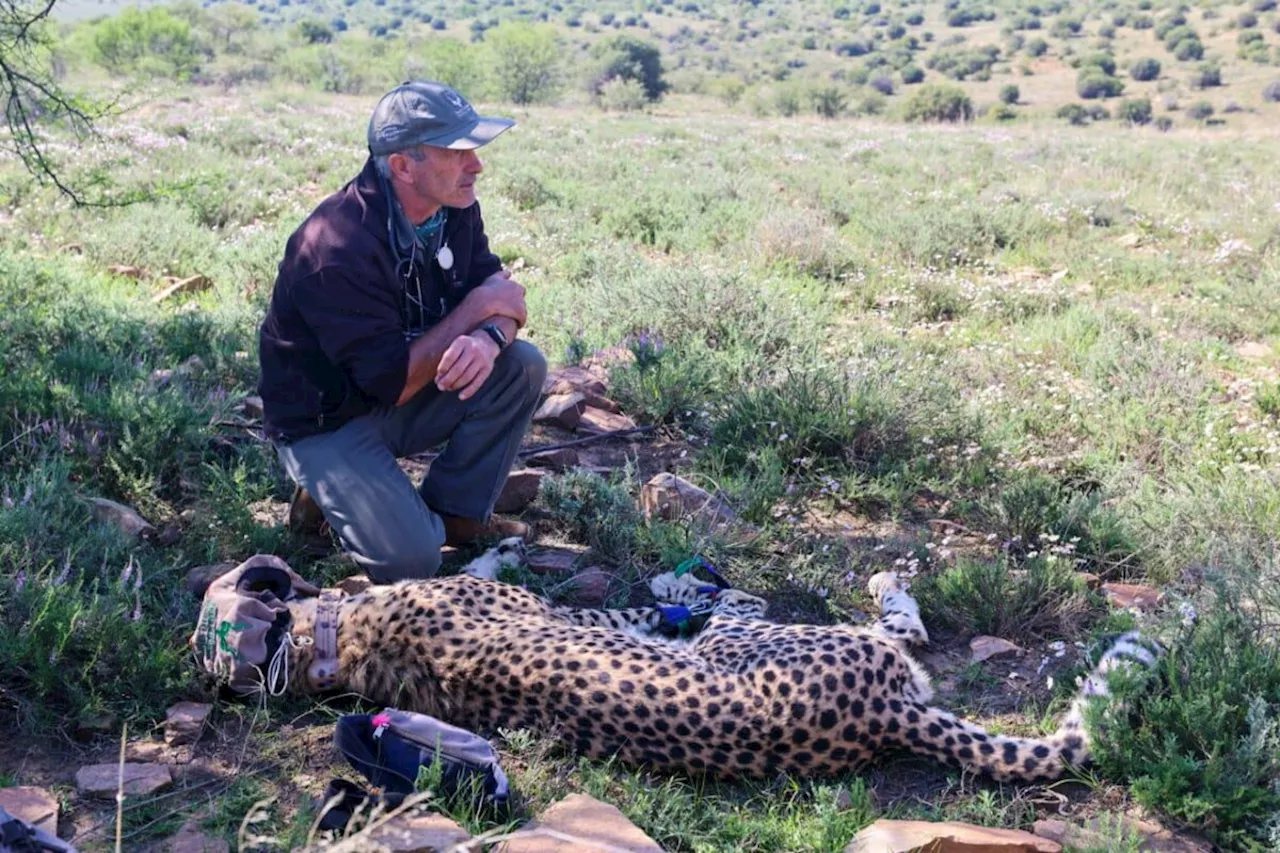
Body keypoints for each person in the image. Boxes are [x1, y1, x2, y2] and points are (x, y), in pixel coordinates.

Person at [256, 81, 546, 583]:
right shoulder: (335, 248)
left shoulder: (453, 209)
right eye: (457, 152)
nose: (476, 165)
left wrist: (489, 337)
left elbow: (508, 299)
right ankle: (327, 491)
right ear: (402, 166)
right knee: (412, 561)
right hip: (327, 422)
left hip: (396, 392)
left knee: (521, 365)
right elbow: (392, 381)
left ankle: (456, 514)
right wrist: (475, 310)